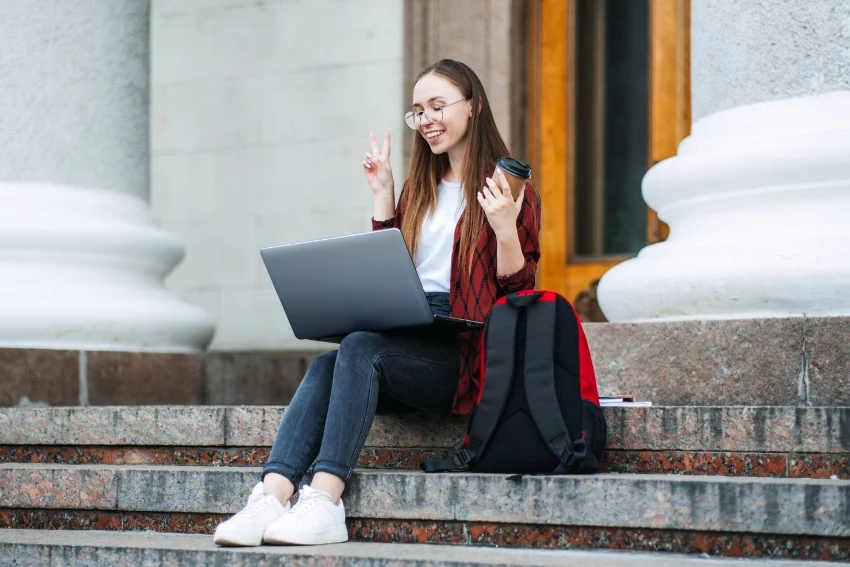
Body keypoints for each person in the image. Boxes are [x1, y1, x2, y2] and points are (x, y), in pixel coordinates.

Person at [213, 59, 542, 547]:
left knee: (361, 347)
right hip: (409, 339)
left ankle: (325, 499)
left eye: (437, 105)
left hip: (468, 358)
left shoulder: (507, 191)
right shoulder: (420, 190)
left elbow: (520, 295)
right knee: (330, 363)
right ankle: (271, 495)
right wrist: (384, 197)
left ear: (472, 107)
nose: (426, 119)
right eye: (417, 111)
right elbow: (390, 273)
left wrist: (503, 228)